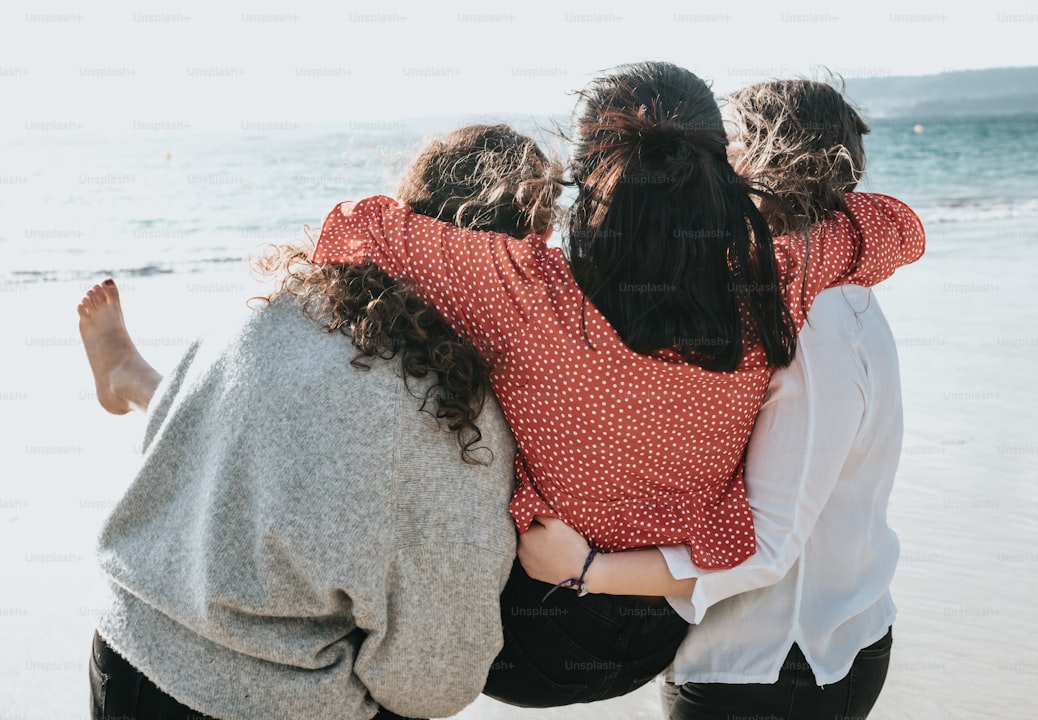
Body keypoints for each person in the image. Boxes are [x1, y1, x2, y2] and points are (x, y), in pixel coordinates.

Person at [309, 61, 924, 707]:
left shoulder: (525, 287)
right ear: (720, 169)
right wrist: (750, 213)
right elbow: (899, 226)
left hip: (530, 634)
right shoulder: (777, 277)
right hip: (659, 628)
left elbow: (355, 226)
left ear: (584, 173)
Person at [79, 124, 560, 720]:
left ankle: (131, 380)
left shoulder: (279, 298)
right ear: (528, 251)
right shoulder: (458, 415)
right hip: (254, 701)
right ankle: (130, 379)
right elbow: (433, 680)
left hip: (122, 646)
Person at [517, 79, 912, 719]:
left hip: (775, 660)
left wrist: (586, 569)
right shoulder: (822, 289)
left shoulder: (812, 324)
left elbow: (768, 547)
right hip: (825, 641)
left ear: (751, 165)